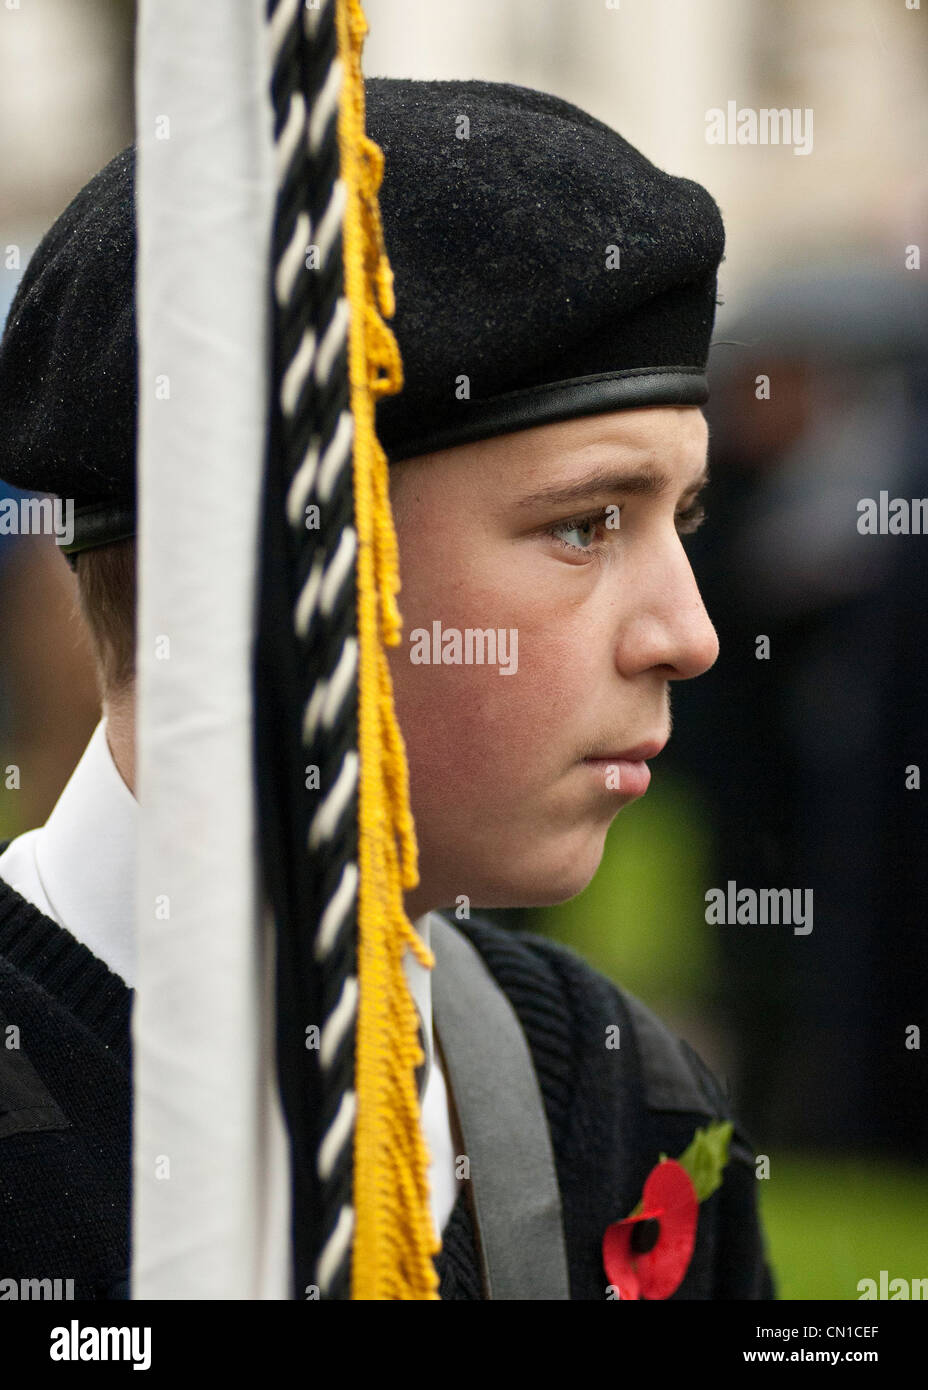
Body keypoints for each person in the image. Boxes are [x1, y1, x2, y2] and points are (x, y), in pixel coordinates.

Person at [0, 76, 775, 1299]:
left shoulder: (626, 1097)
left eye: (681, 518)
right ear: (269, 575)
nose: (689, 635)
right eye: (583, 523)